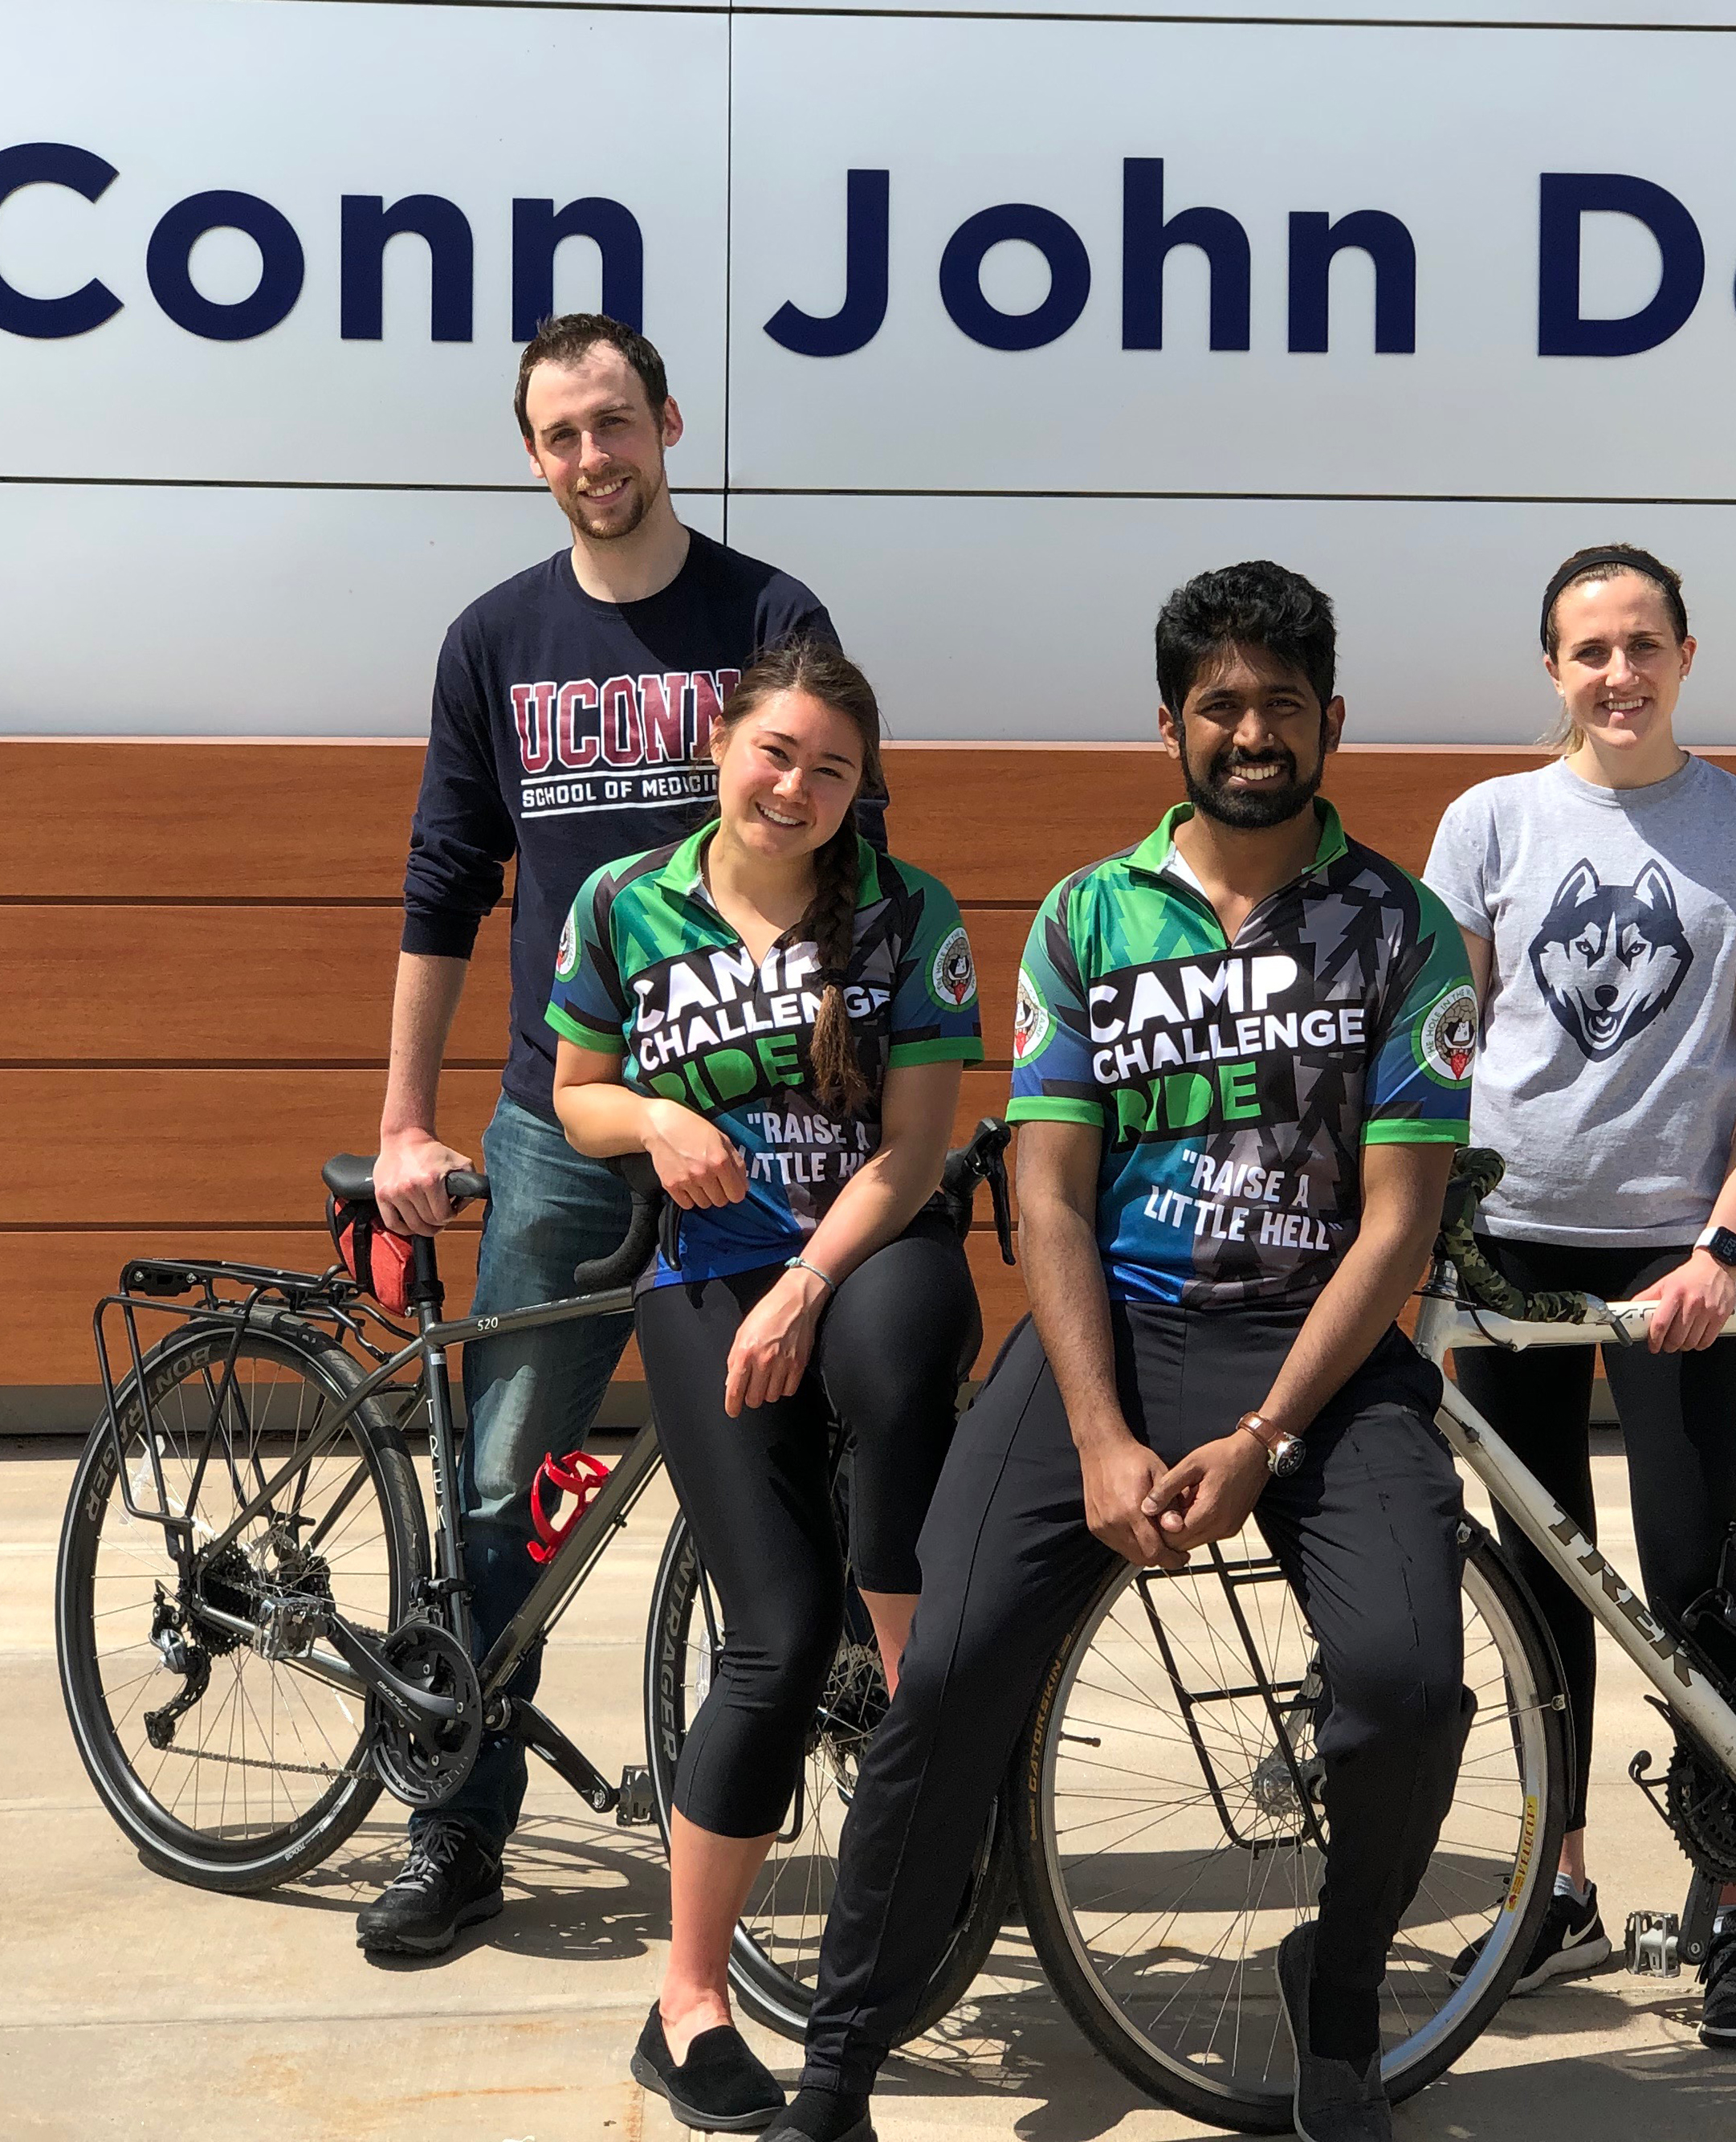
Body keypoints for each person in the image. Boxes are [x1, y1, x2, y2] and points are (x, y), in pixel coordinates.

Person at [761, 563, 1479, 2142]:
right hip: (1114, 1339)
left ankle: (1339, 2005)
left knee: (1407, 1685)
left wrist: (1270, 1435)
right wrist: (1096, 1431)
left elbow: (1397, 1223)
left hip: (1321, 1361)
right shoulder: (1088, 917)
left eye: (1280, 703)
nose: (1250, 730)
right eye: (1219, 702)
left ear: (1329, 722)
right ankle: (838, 2057)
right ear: (1167, 721)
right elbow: (1051, 1193)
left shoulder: (1406, 931)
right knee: (940, 1673)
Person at [360, 314, 876, 1956]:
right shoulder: (491, 640)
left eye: (614, 423)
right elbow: (444, 882)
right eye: (560, 434)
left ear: (666, 420)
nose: (594, 456)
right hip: (563, 1127)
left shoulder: (765, 616)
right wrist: (399, 1116)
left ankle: (861, 1810)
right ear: (534, 454)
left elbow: (856, 838)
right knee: (509, 1481)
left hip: (760, 1133)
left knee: (824, 1458)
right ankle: (454, 1822)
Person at [546, 639, 984, 2132]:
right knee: (772, 1645)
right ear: (722, 745)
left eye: (834, 768)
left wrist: (808, 1277)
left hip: (864, 1248)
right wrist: (659, 1120)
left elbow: (917, 1149)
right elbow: (573, 1091)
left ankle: (910, 1632)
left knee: (898, 1348)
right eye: (776, 753)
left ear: (864, 790)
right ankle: (688, 2003)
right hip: (703, 1276)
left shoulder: (910, 915)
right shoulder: (625, 902)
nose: (797, 786)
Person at [1420, 542, 1736, 2048]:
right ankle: (1559, 1893)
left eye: (1643, 643)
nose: (1619, 673)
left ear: (1686, 654)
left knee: (1689, 1585)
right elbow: (1445, 1050)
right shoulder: (1488, 825)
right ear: (1551, 668)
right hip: (1513, 1243)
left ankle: (1734, 1909)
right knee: (1542, 1593)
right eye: (1589, 650)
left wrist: (1723, 1250)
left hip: (1680, 1255)